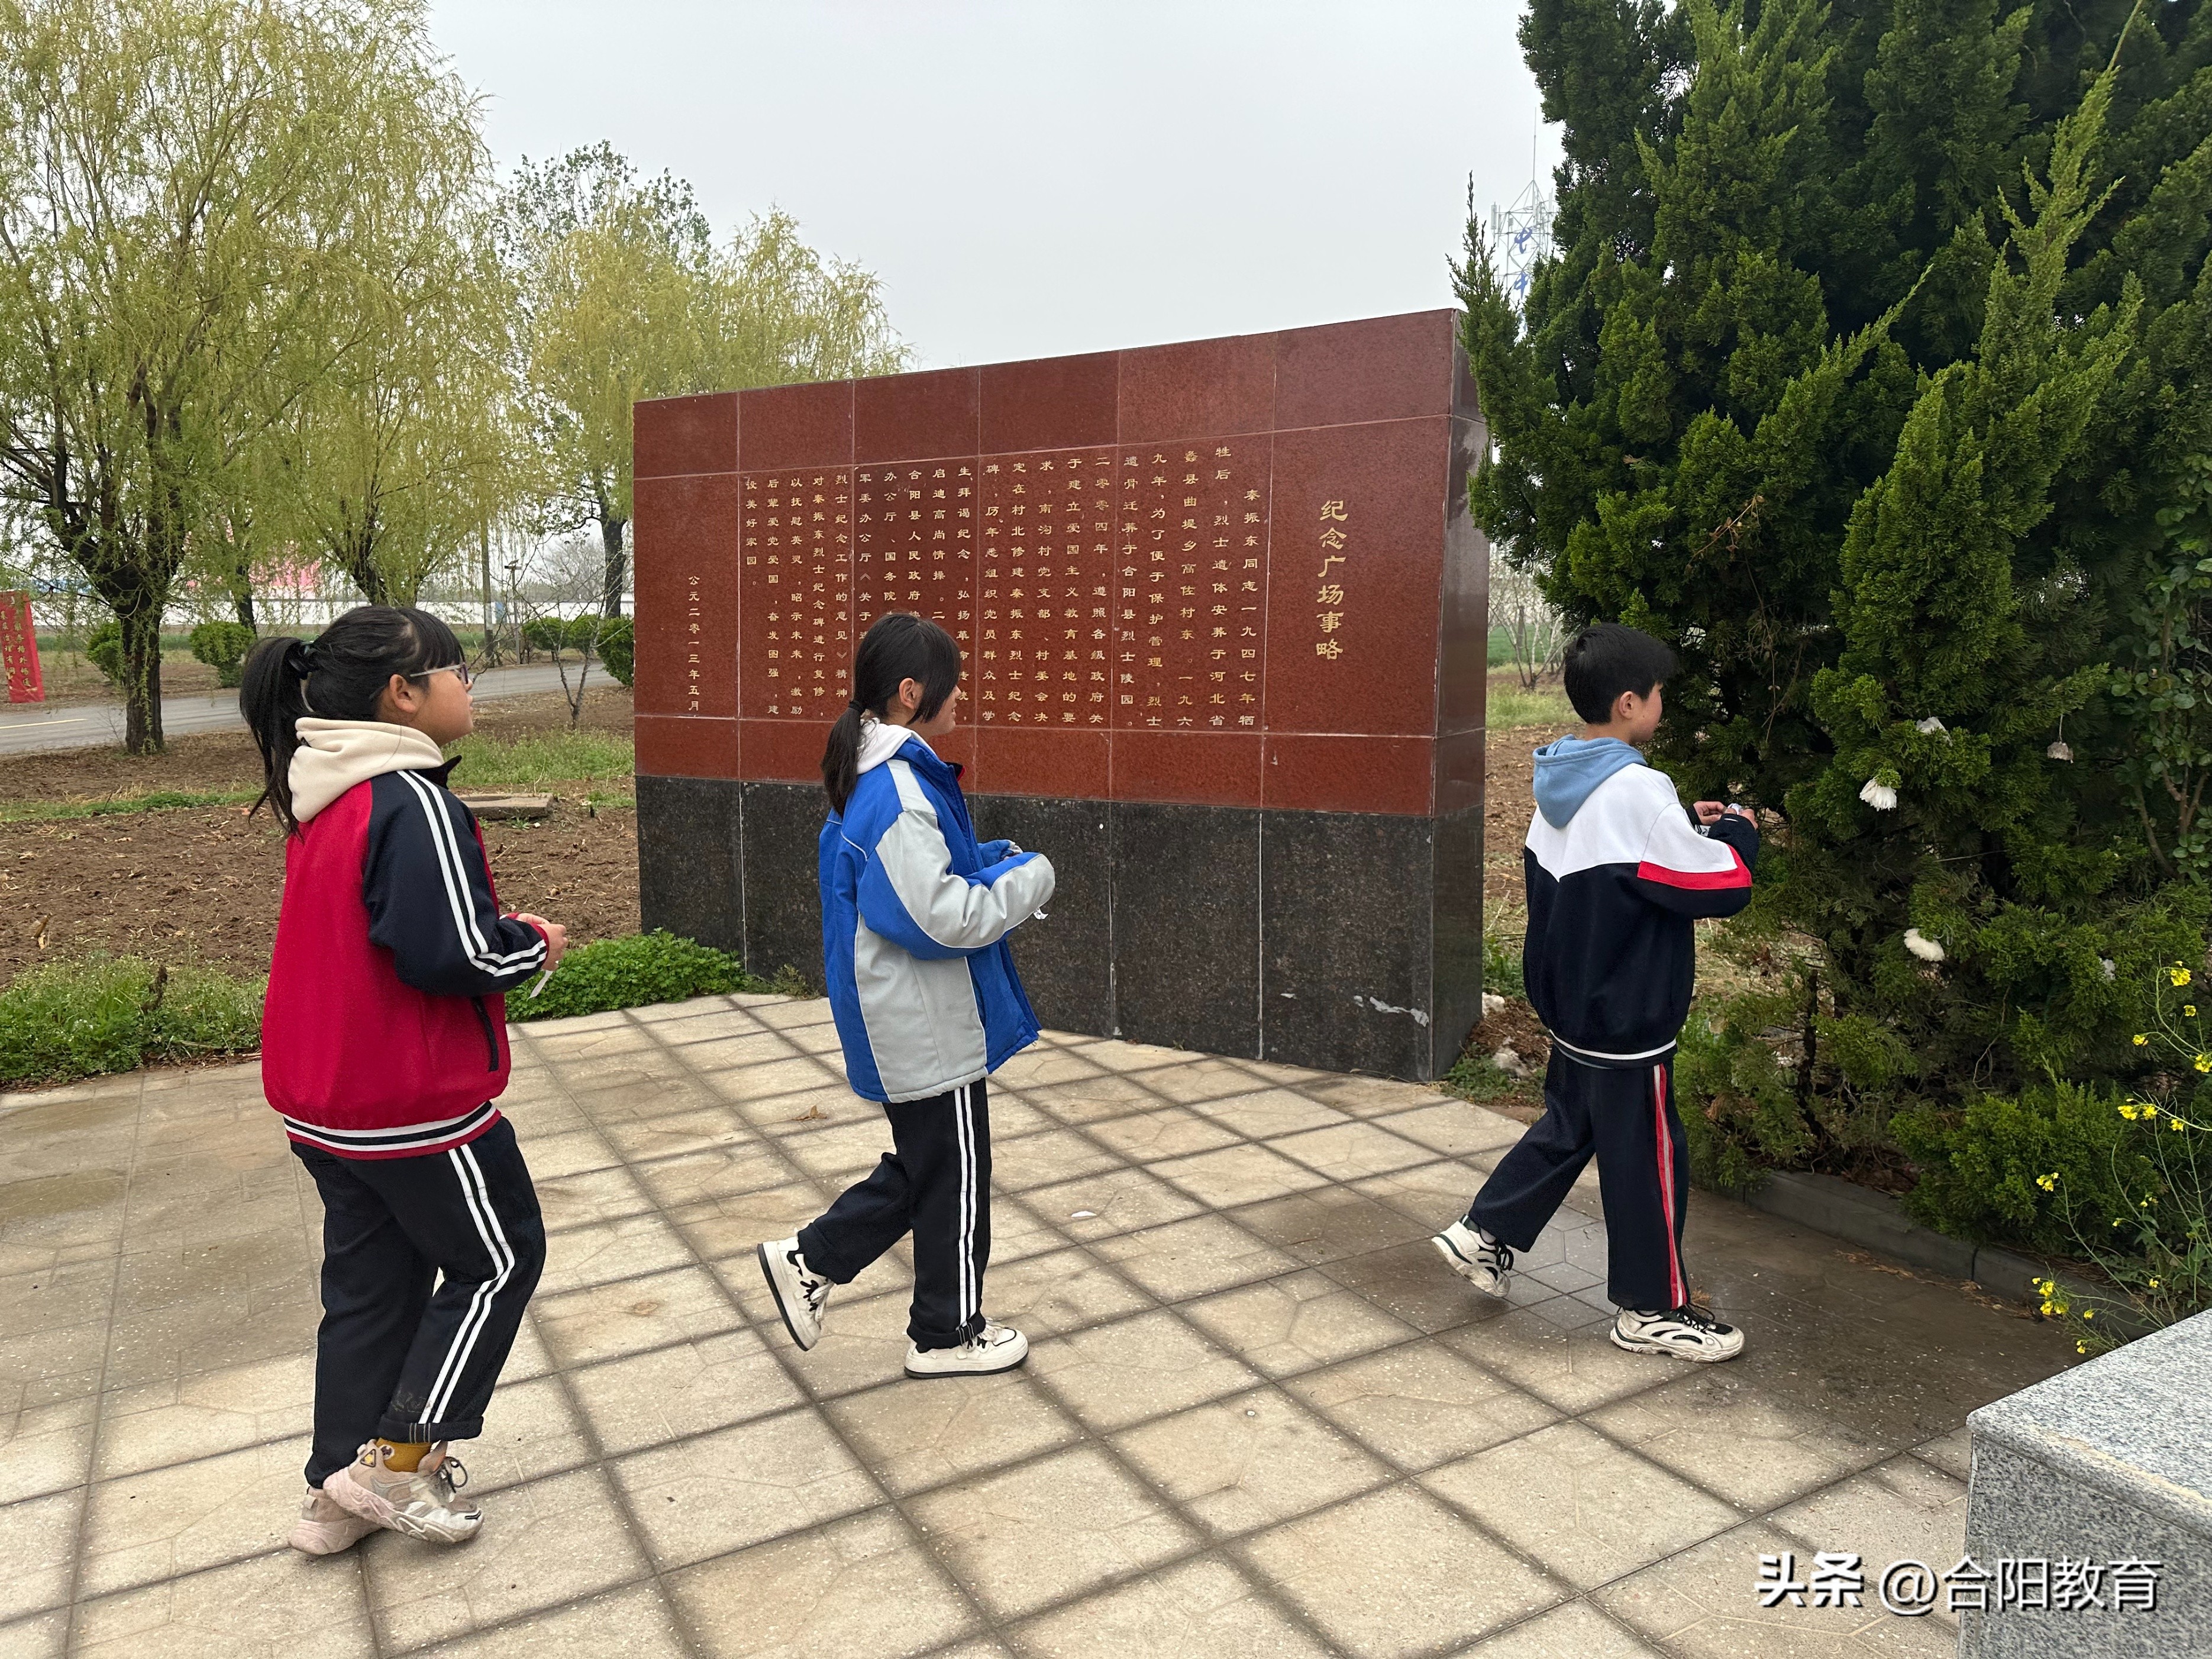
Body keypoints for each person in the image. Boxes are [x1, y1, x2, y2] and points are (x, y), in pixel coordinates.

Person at [240, 606, 567, 1554]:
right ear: (403, 694)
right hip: (410, 1104)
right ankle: (397, 1461)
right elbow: (447, 952)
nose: (471, 685)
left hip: (323, 1099)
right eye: (458, 670)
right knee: (498, 1258)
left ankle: (335, 1496)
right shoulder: (408, 799)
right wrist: (533, 944)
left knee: (372, 1289)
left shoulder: (326, 790)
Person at [1433, 622, 1759, 1361]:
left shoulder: (1564, 772)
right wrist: (1738, 830)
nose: (1661, 705)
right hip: (1627, 1013)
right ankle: (1650, 1307)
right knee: (1648, 1154)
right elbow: (1717, 885)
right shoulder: (1639, 788)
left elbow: (1623, 863)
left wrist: (1682, 823)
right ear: (1627, 703)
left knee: (1570, 1123)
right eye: (1658, 695)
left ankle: (1483, 1232)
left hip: (1574, 1005)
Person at [758, 612, 1056, 1378]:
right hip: (923, 1022)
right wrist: (1030, 880)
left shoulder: (879, 774)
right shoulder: (894, 788)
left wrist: (987, 858)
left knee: (933, 1166)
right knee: (951, 1172)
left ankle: (812, 1259)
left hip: (908, 1015)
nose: (963, 697)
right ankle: (944, 1333)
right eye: (952, 685)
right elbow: (943, 916)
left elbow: (920, 879)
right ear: (909, 692)